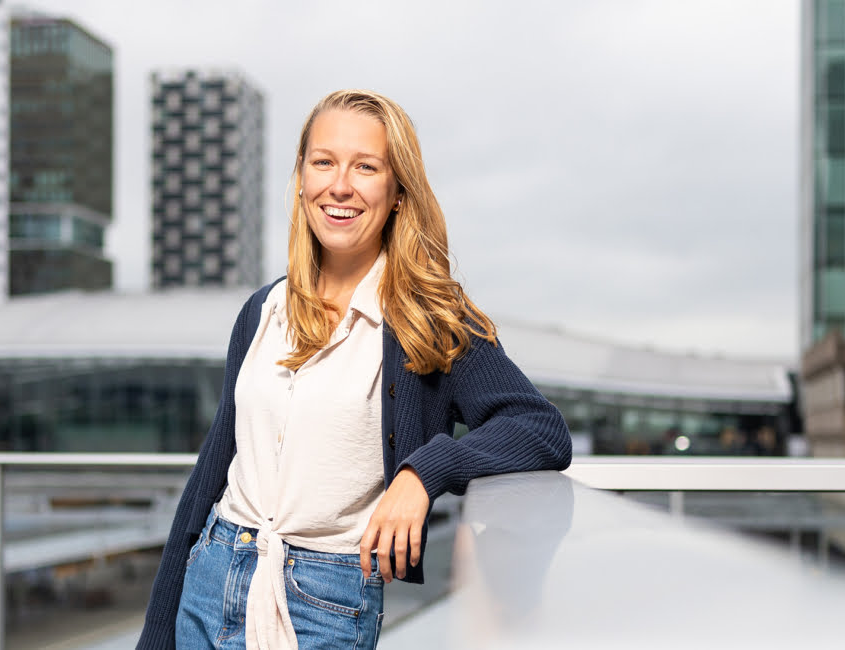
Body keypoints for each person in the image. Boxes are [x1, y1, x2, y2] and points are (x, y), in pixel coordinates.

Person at [136, 90, 573, 650]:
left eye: (366, 167)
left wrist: (423, 473)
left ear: (396, 192)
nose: (340, 185)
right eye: (324, 162)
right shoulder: (261, 311)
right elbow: (210, 476)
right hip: (210, 577)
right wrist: (155, 633)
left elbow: (540, 429)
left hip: (326, 601)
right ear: (300, 177)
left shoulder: (429, 318)